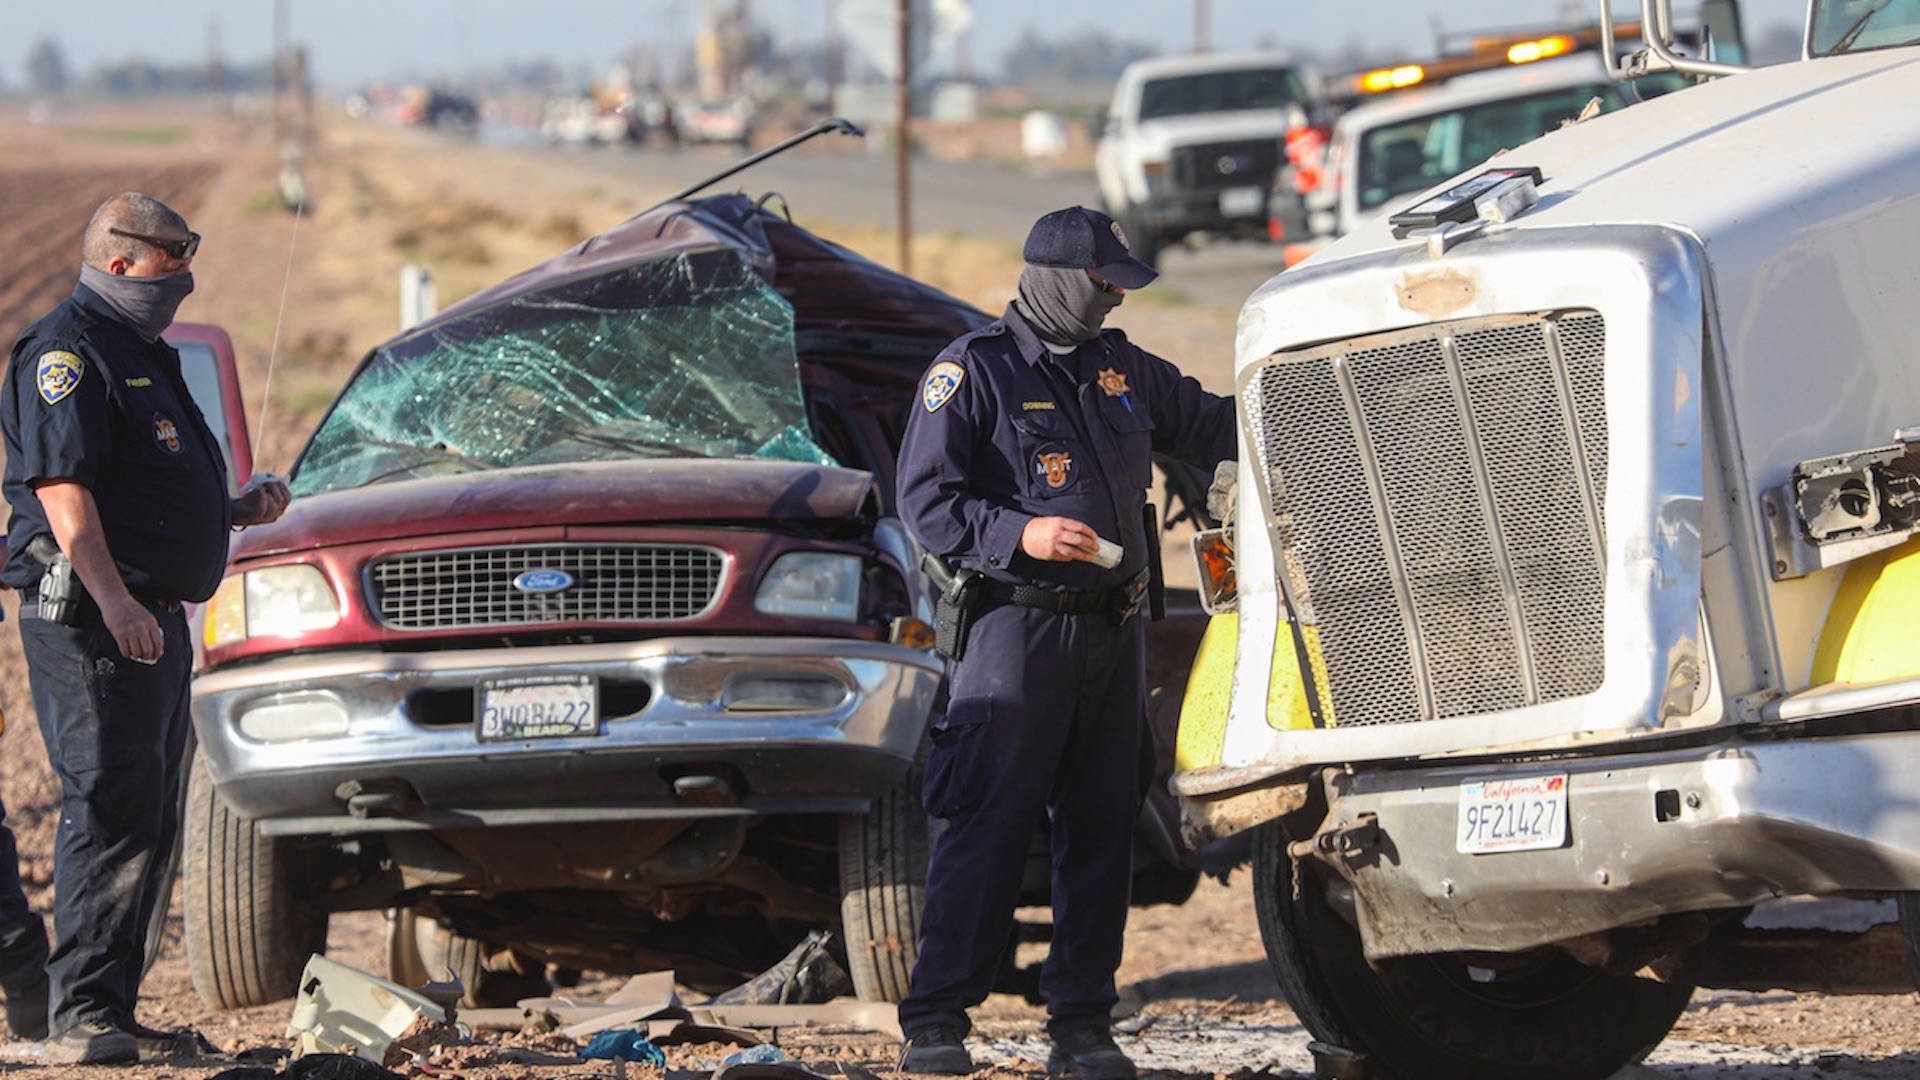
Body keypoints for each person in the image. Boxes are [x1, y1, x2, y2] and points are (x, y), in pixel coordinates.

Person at [893, 206, 1236, 1078]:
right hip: (1016, 632)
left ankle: (1082, 1026)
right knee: (988, 824)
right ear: (1055, 277)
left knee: (1101, 827)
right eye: (1103, 282)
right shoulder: (973, 373)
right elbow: (925, 504)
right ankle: (937, 1023)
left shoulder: (1124, 369)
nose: (1117, 294)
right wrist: (1021, 535)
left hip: (1111, 636)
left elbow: (1212, 424)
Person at [0, 192, 291, 1064]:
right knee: (109, 808)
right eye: (175, 251)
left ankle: (111, 1013)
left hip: (151, 624)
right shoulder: (69, 353)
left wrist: (233, 510)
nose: (187, 268)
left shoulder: (142, 354)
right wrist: (119, 604)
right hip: (96, 622)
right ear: (120, 260)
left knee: (150, 818)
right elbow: (66, 498)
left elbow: (144, 482)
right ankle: (80, 1015)